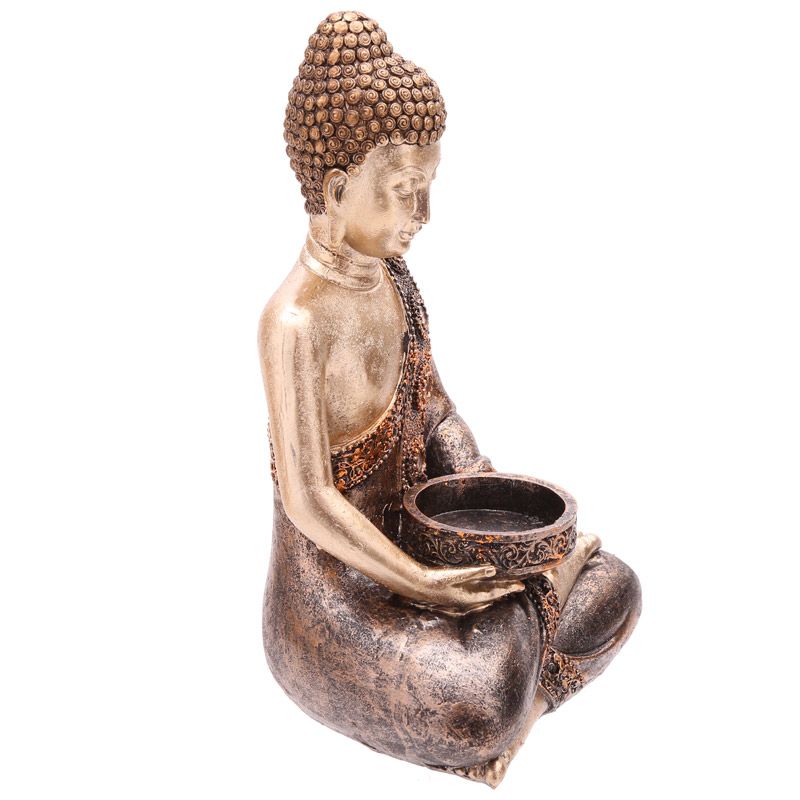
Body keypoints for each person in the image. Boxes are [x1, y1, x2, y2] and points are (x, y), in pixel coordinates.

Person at [259, 11, 641, 786]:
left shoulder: (396, 284)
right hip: (337, 608)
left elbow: (434, 414)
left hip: (433, 554)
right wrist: (419, 583)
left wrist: (495, 518)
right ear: (338, 188)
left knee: (619, 585)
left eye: (427, 190)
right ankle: (508, 700)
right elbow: (309, 499)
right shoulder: (294, 321)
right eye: (405, 193)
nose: (423, 216)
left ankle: (514, 683)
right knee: (480, 698)